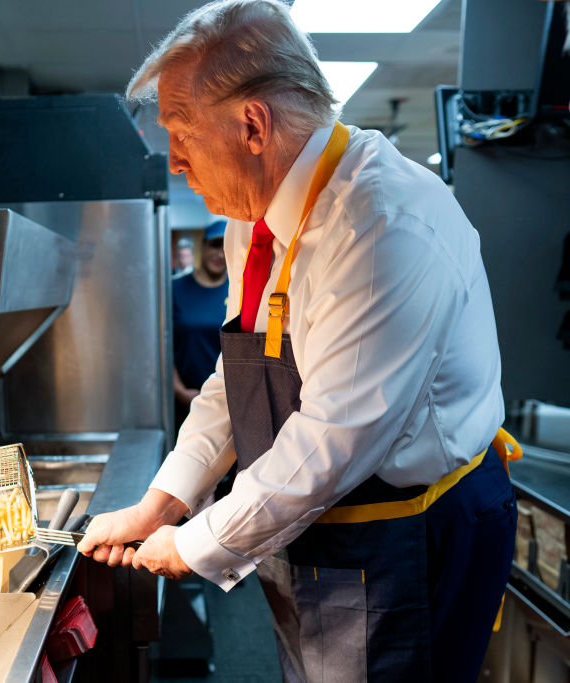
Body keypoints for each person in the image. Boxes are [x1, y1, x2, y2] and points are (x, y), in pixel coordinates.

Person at [77, 1, 520, 680]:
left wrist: (195, 543)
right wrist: (160, 504)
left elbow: (334, 441)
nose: (173, 163)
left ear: (252, 124)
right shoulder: (252, 215)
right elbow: (235, 381)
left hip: (405, 531)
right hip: (317, 521)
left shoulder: (381, 227)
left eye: (181, 133)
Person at [172, 220, 229, 430]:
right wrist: (179, 391)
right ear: (202, 247)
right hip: (185, 399)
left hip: (229, 401)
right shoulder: (175, 289)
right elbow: (161, 345)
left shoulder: (238, 290)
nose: (221, 254)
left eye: (226, 247)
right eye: (215, 245)